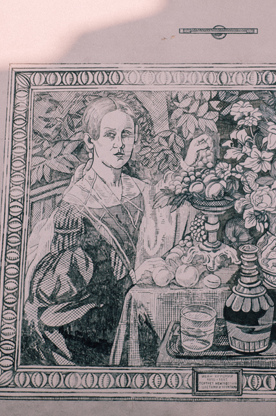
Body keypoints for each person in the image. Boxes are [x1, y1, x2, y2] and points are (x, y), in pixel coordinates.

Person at [22, 96, 171, 366]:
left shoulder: (139, 189)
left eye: (126, 135)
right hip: (89, 320)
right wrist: (132, 276)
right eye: (109, 135)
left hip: (133, 301)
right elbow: (59, 284)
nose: (119, 144)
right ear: (90, 142)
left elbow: (157, 243)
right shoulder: (75, 204)